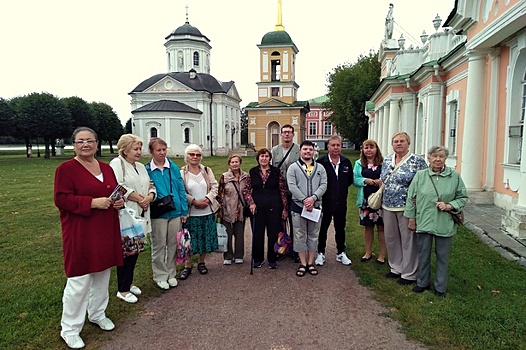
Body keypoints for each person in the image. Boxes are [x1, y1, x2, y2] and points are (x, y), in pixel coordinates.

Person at [54, 127, 124, 349]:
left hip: (105, 228)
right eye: (80, 141)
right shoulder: (66, 169)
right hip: (81, 231)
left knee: (102, 275)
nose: (85, 144)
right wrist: (92, 203)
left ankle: (97, 313)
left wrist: (117, 202)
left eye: (90, 141)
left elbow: (112, 191)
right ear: (74, 144)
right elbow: (62, 199)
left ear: (96, 143)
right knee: (79, 280)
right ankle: (70, 328)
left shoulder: (105, 167)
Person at [405, 146, 467, 297]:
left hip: (444, 222)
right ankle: (422, 282)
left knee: (442, 257)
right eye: (434, 156)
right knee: (423, 254)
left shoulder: (454, 177)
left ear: (446, 159)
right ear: (429, 158)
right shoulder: (420, 176)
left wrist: (449, 205)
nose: (437, 159)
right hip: (424, 221)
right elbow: (411, 198)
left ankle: (440, 287)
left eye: (441, 156)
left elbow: (462, 197)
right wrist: (412, 218)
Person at [109, 134, 156, 303]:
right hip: (127, 214)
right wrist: (139, 199)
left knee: (135, 250)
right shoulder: (117, 164)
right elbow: (117, 186)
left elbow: (151, 184)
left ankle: (129, 282)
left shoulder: (141, 167)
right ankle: (122, 289)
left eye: (139, 148)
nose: (138, 152)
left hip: (142, 211)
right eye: (135, 149)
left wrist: (150, 197)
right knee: (126, 251)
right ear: (125, 150)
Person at [380, 132, 427, 285]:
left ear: (408, 143)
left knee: (408, 240)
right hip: (387, 205)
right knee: (391, 238)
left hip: (407, 207)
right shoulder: (387, 160)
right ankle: (396, 267)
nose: (398, 144)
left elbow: (424, 182)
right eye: (395, 141)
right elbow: (383, 179)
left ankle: (409, 273)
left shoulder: (417, 161)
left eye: (402, 141)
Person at [145, 138, 188, 290]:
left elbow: (181, 188)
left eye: (164, 149)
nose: (162, 153)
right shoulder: (147, 169)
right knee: (159, 245)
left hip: (175, 210)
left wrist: (184, 210)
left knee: (172, 245)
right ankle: (160, 275)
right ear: (151, 152)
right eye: (158, 150)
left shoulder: (173, 167)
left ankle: (171, 273)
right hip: (158, 212)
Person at [287, 140, 327, 276]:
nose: (307, 152)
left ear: (313, 151)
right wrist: (304, 200)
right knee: (299, 234)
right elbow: (292, 186)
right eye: (305, 149)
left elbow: (324, 185)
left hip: (315, 207)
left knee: (313, 235)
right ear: (300, 151)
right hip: (298, 207)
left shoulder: (320, 168)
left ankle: (311, 262)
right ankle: (302, 263)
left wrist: (313, 198)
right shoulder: (293, 168)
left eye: (310, 149)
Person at [243, 148, 288, 269]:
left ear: (270, 158)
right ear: (258, 158)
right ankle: (258, 259)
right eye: (261, 156)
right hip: (257, 208)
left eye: (266, 156)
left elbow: (283, 190)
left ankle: (272, 259)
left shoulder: (276, 171)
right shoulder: (252, 172)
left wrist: (284, 208)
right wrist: (251, 203)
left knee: (273, 234)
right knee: (257, 234)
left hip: (274, 207)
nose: (264, 158)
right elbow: (246, 190)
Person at [180, 144, 220, 279]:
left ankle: (202, 262)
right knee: (189, 240)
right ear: (187, 156)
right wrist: (194, 201)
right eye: (192, 154)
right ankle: (187, 265)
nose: (195, 157)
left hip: (207, 211)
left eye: (198, 154)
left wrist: (208, 199)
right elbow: (181, 192)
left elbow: (215, 186)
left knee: (204, 238)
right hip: (191, 213)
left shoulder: (206, 170)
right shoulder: (182, 173)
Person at [315, 135, 353, 266]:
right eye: (333, 145)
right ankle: (320, 253)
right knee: (323, 228)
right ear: (328, 146)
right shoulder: (321, 162)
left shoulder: (346, 162)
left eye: (338, 145)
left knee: (340, 227)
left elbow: (349, 181)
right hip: (325, 202)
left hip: (341, 202)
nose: (336, 147)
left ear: (341, 146)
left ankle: (341, 252)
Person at [353, 139, 387, 264]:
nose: (368, 150)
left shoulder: (384, 163)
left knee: (381, 228)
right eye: (366, 147)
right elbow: (355, 179)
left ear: (376, 149)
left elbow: (389, 177)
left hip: (381, 200)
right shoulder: (359, 163)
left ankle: (382, 255)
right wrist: (365, 180)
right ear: (363, 150)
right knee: (368, 227)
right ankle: (368, 252)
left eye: (371, 147)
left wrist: (381, 181)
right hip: (366, 201)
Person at [271, 124, 301, 262]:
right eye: (284, 132)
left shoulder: (299, 149)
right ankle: (281, 248)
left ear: (293, 134)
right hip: (279, 191)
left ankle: (296, 250)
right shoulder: (275, 150)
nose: (287, 135)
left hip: (295, 192)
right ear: (281, 134)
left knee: (295, 222)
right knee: (279, 222)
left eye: (289, 132)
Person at [218, 154, 249, 265]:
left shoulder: (245, 176)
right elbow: (220, 193)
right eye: (232, 162)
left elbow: (248, 192)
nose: (235, 164)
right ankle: (228, 255)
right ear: (229, 164)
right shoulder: (224, 177)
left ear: (240, 163)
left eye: (237, 162)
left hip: (240, 209)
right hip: (227, 208)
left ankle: (239, 255)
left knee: (239, 233)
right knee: (227, 234)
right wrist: (220, 209)